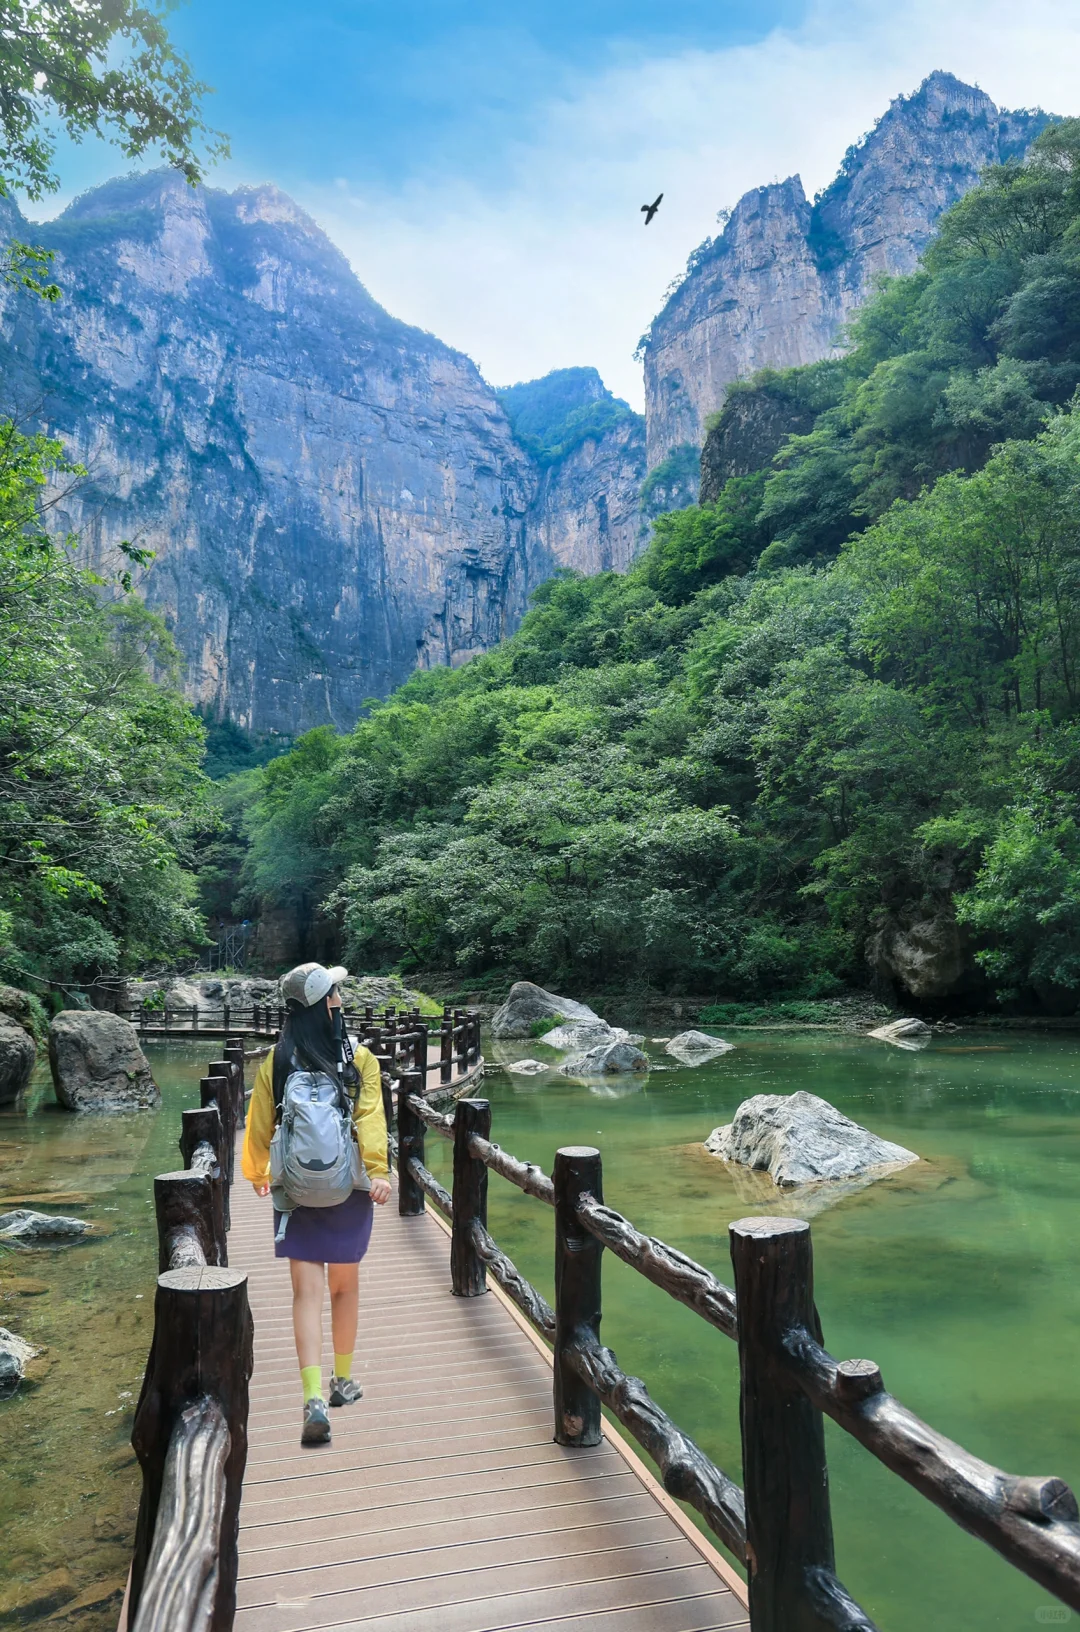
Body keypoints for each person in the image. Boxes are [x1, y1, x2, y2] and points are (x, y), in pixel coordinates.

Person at [241, 961, 390, 1446]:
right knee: (343, 1289)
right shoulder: (359, 1059)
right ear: (324, 1005)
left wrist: (257, 1172)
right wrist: (380, 1172)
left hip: (296, 1192)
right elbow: (370, 1119)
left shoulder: (277, 1060)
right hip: (348, 1185)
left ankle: (312, 1398)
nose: (341, 1000)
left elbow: (259, 1122)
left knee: (305, 1293)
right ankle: (342, 1381)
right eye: (335, 994)